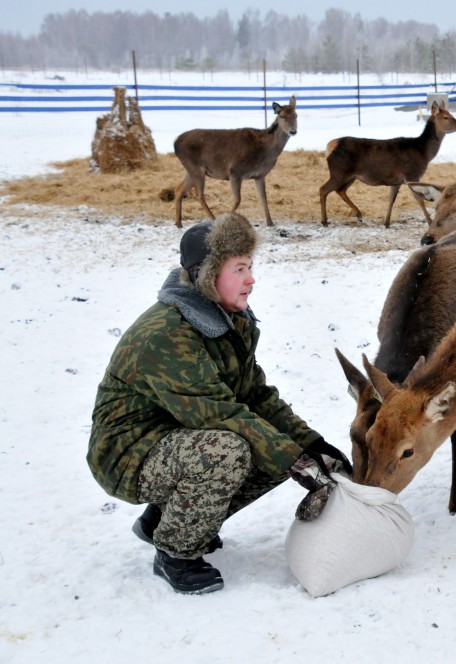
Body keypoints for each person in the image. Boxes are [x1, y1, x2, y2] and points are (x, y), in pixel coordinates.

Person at [87, 212, 351, 595]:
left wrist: (312, 445)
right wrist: (294, 460)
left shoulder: (229, 321)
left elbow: (255, 396)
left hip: (172, 435)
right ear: (208, 276)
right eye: (239, 268)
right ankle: (175, 552)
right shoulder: (167, 334)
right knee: (229, 450)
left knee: (274, 443)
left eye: (251, 266)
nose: (251, 279)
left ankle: (161, 520)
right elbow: (217, 412)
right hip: (126, 451)